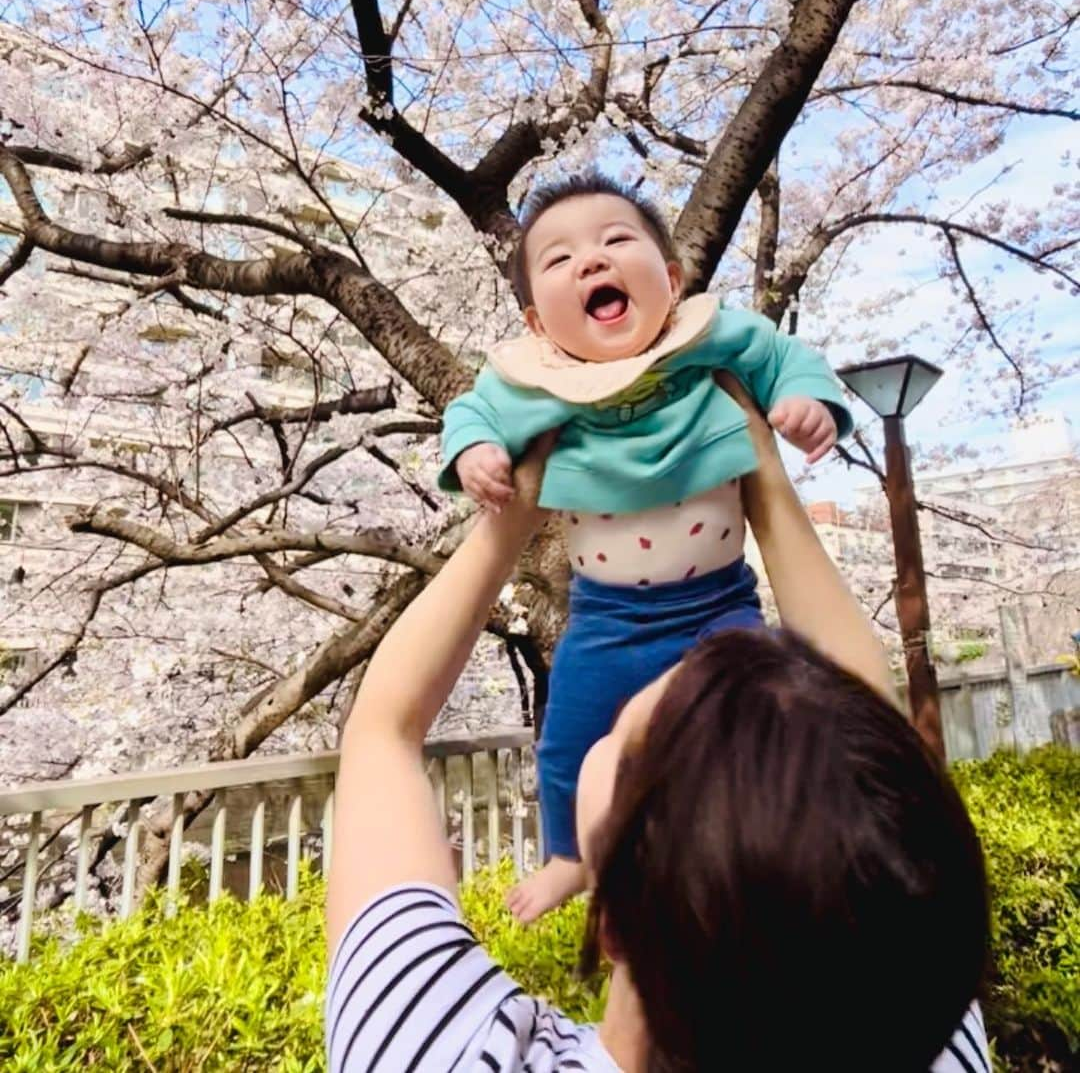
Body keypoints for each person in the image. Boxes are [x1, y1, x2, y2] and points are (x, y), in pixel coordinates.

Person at [326, 378, 990, 1073]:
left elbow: (380, 731)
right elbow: (865, 754)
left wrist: (511, 514)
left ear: (614, 922)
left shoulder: (440, 1055)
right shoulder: (909, 1010)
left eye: (620, 735)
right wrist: (756, 469)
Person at [439, 173, 854, 920]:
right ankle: (570, 853)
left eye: (616, 240)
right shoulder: (538, 383)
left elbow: (787, 358)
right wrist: (476, 455)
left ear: (670, 279)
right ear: (537, 323)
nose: (592, 262)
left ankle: (760, 848)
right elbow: (473, 413)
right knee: (568, 737)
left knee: (758, 723)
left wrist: (805, 402)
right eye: (560, 260)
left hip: (719, 604)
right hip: (607, 617)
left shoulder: (707, 340)